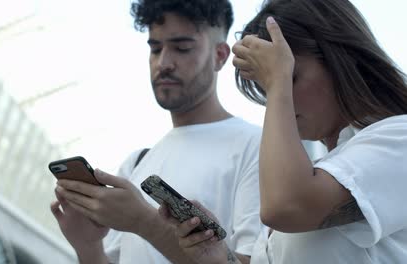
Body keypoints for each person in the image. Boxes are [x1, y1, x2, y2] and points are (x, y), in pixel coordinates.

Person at [168, 0, 407, 263]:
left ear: (339, 61)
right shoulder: (315, 172)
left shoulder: (400, 139)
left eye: (290, 76)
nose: (277, 102)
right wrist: (218, 256)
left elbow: (285, 207)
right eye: (266, 88)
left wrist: (278, 81)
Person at [50, 0, 263, 263]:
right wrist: (88, 246)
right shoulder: (137, 163)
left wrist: (144, 221)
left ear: (220, 56)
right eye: (155, 48)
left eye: (181, 48)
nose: (163, 63)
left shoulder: (256, 146)